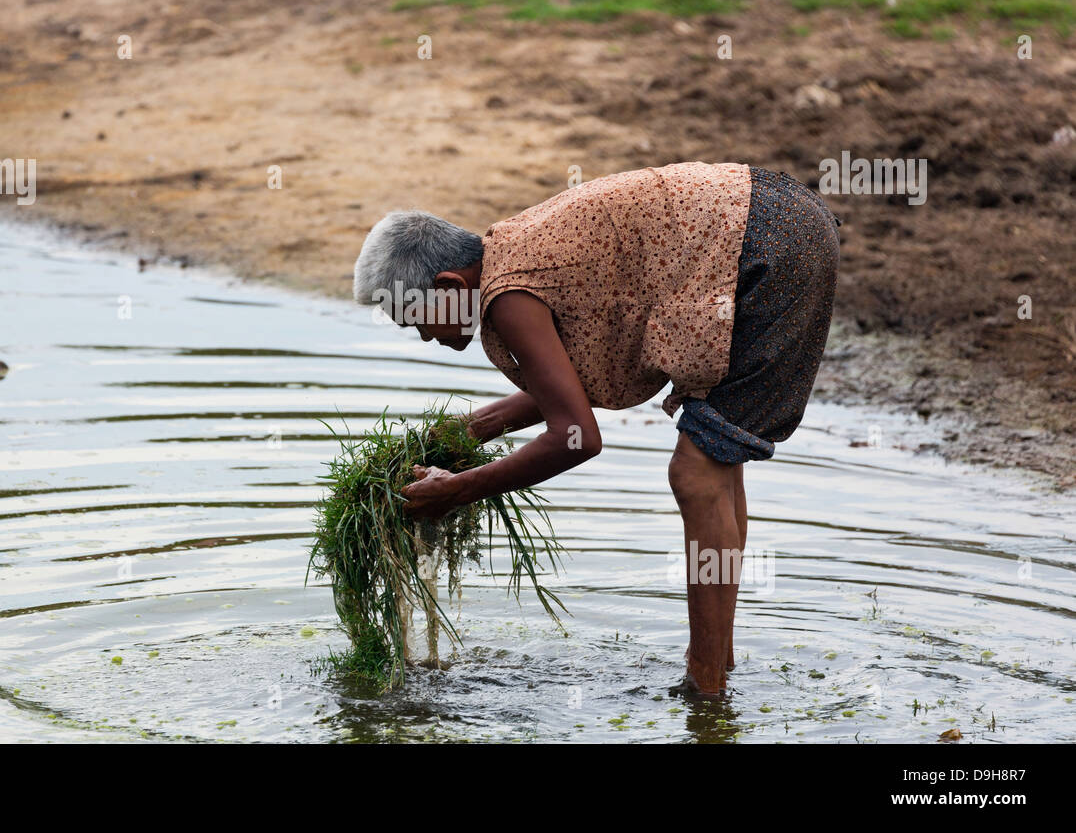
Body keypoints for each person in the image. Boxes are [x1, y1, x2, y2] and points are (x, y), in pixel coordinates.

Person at [351, 162, 840, 697]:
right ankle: (716, 662)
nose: (423, 337)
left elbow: (575, 437)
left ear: (447, 286)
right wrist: (465, 432)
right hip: (779, 216)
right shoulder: (509, 254)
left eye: (415, 319)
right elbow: (568, 387)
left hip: (764, 245)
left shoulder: (508, 296)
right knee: (717, 470)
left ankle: (705, 687)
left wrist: (460, 489)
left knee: (696, 473)